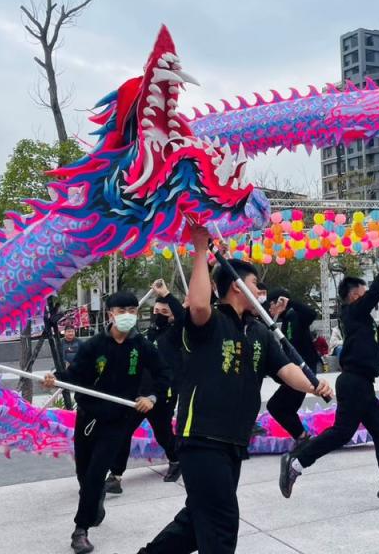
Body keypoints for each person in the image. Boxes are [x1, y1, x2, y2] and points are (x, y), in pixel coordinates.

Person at [137, 225, 332, 554]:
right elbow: (198, 306)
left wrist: (313, 385)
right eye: (256, 285)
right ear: (237, 288)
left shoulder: (259, 332)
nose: (262, 294)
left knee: (197, 523)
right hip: (201, 438)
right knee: (222, 524)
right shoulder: (209, 322)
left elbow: (285, 369)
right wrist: (201, 250)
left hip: (234, 442)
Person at [280, 247, 379, 504]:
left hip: (361, 382)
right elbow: (376, 292)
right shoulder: (352, 311)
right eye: (364, 294)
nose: (368, 298)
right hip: (355, 381)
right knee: (343, 432)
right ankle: (296, 463)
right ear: (355, 296)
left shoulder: (360, 319)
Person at [43, 292, 171, 554]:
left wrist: (152, 396)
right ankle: (94, 502)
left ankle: (80, 530)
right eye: (121, 310)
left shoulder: (142, 346)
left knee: (95, 474)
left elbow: (163, 374)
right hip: (89, 417)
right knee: (84, 474)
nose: (127, 315)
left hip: (118, 421)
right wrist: (55, 378)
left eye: (132, 310)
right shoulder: (94, 346)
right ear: (110, 313)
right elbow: (74, 375)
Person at [106, 279, 184, 494]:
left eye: (164, 311)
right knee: (123, 431)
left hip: (162, 394)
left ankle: (176, 460)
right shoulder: (146, 335)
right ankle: (115, 476)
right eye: (155, 310)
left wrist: (167, 294)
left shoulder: (175, 334)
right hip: (138, 394)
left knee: (162, 432)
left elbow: (183, 317)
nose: (158, 314)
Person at [265, 289, 321, 449]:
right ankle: (302, 438)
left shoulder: (295, 315)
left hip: (304, 372)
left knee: (277, 406)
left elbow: (311, 314)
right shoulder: (287, 319)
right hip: (296, 373)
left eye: (271, 305)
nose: (270, 309)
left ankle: (303, 439)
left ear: (281, 303)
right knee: (284, 408)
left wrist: (290, 302)